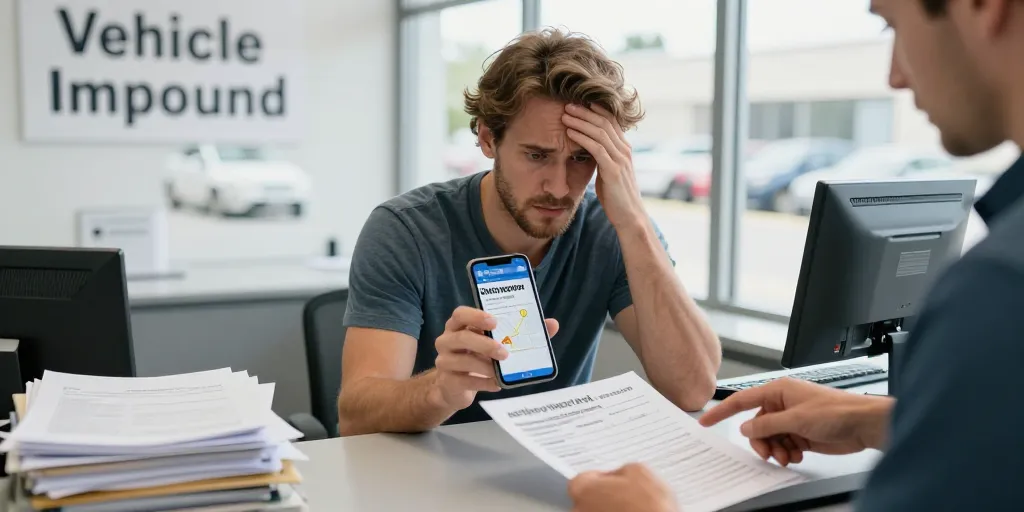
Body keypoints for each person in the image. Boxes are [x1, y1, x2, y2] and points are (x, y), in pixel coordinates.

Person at [567, 0, 1024, 509]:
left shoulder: (1001, 290)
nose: (894, 75)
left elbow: (692, 384)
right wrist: (876, 420)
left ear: (986, 7)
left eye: (893, 23)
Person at [336, 28, 722, 435]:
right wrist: (440, 390)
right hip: (423, 464)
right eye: (537, 155)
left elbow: (693, 388)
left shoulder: (613, 228)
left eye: (581, 158)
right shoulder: (405, 230)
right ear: (488, 138)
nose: (559, 187)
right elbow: (355, 418)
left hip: (559, 462)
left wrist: (635, 222)